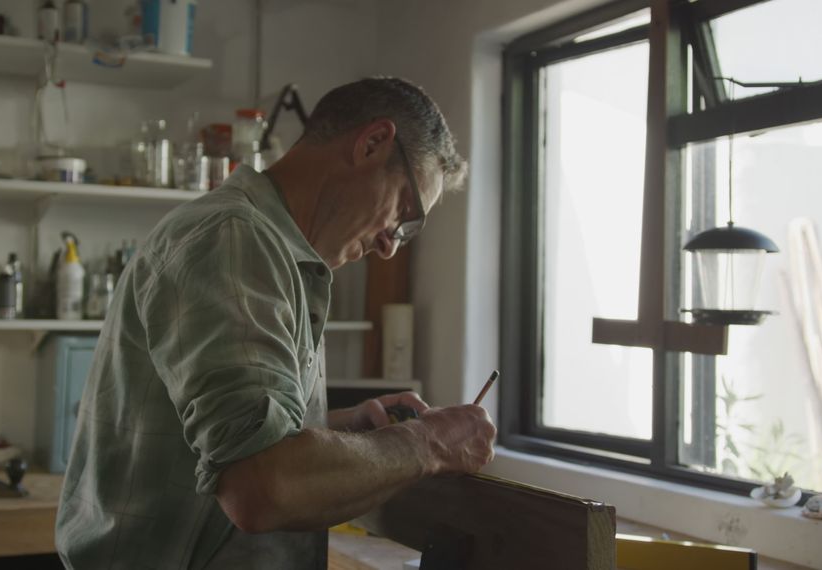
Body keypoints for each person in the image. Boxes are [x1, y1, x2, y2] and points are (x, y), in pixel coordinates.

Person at [56, 77, 496, 569]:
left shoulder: (281, 257)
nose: (391, 245)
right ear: (372, 144)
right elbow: (261, 487)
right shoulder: (233, 239)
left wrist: (346, 431)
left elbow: (222, 447)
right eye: (405, 213)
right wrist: (427, 443)